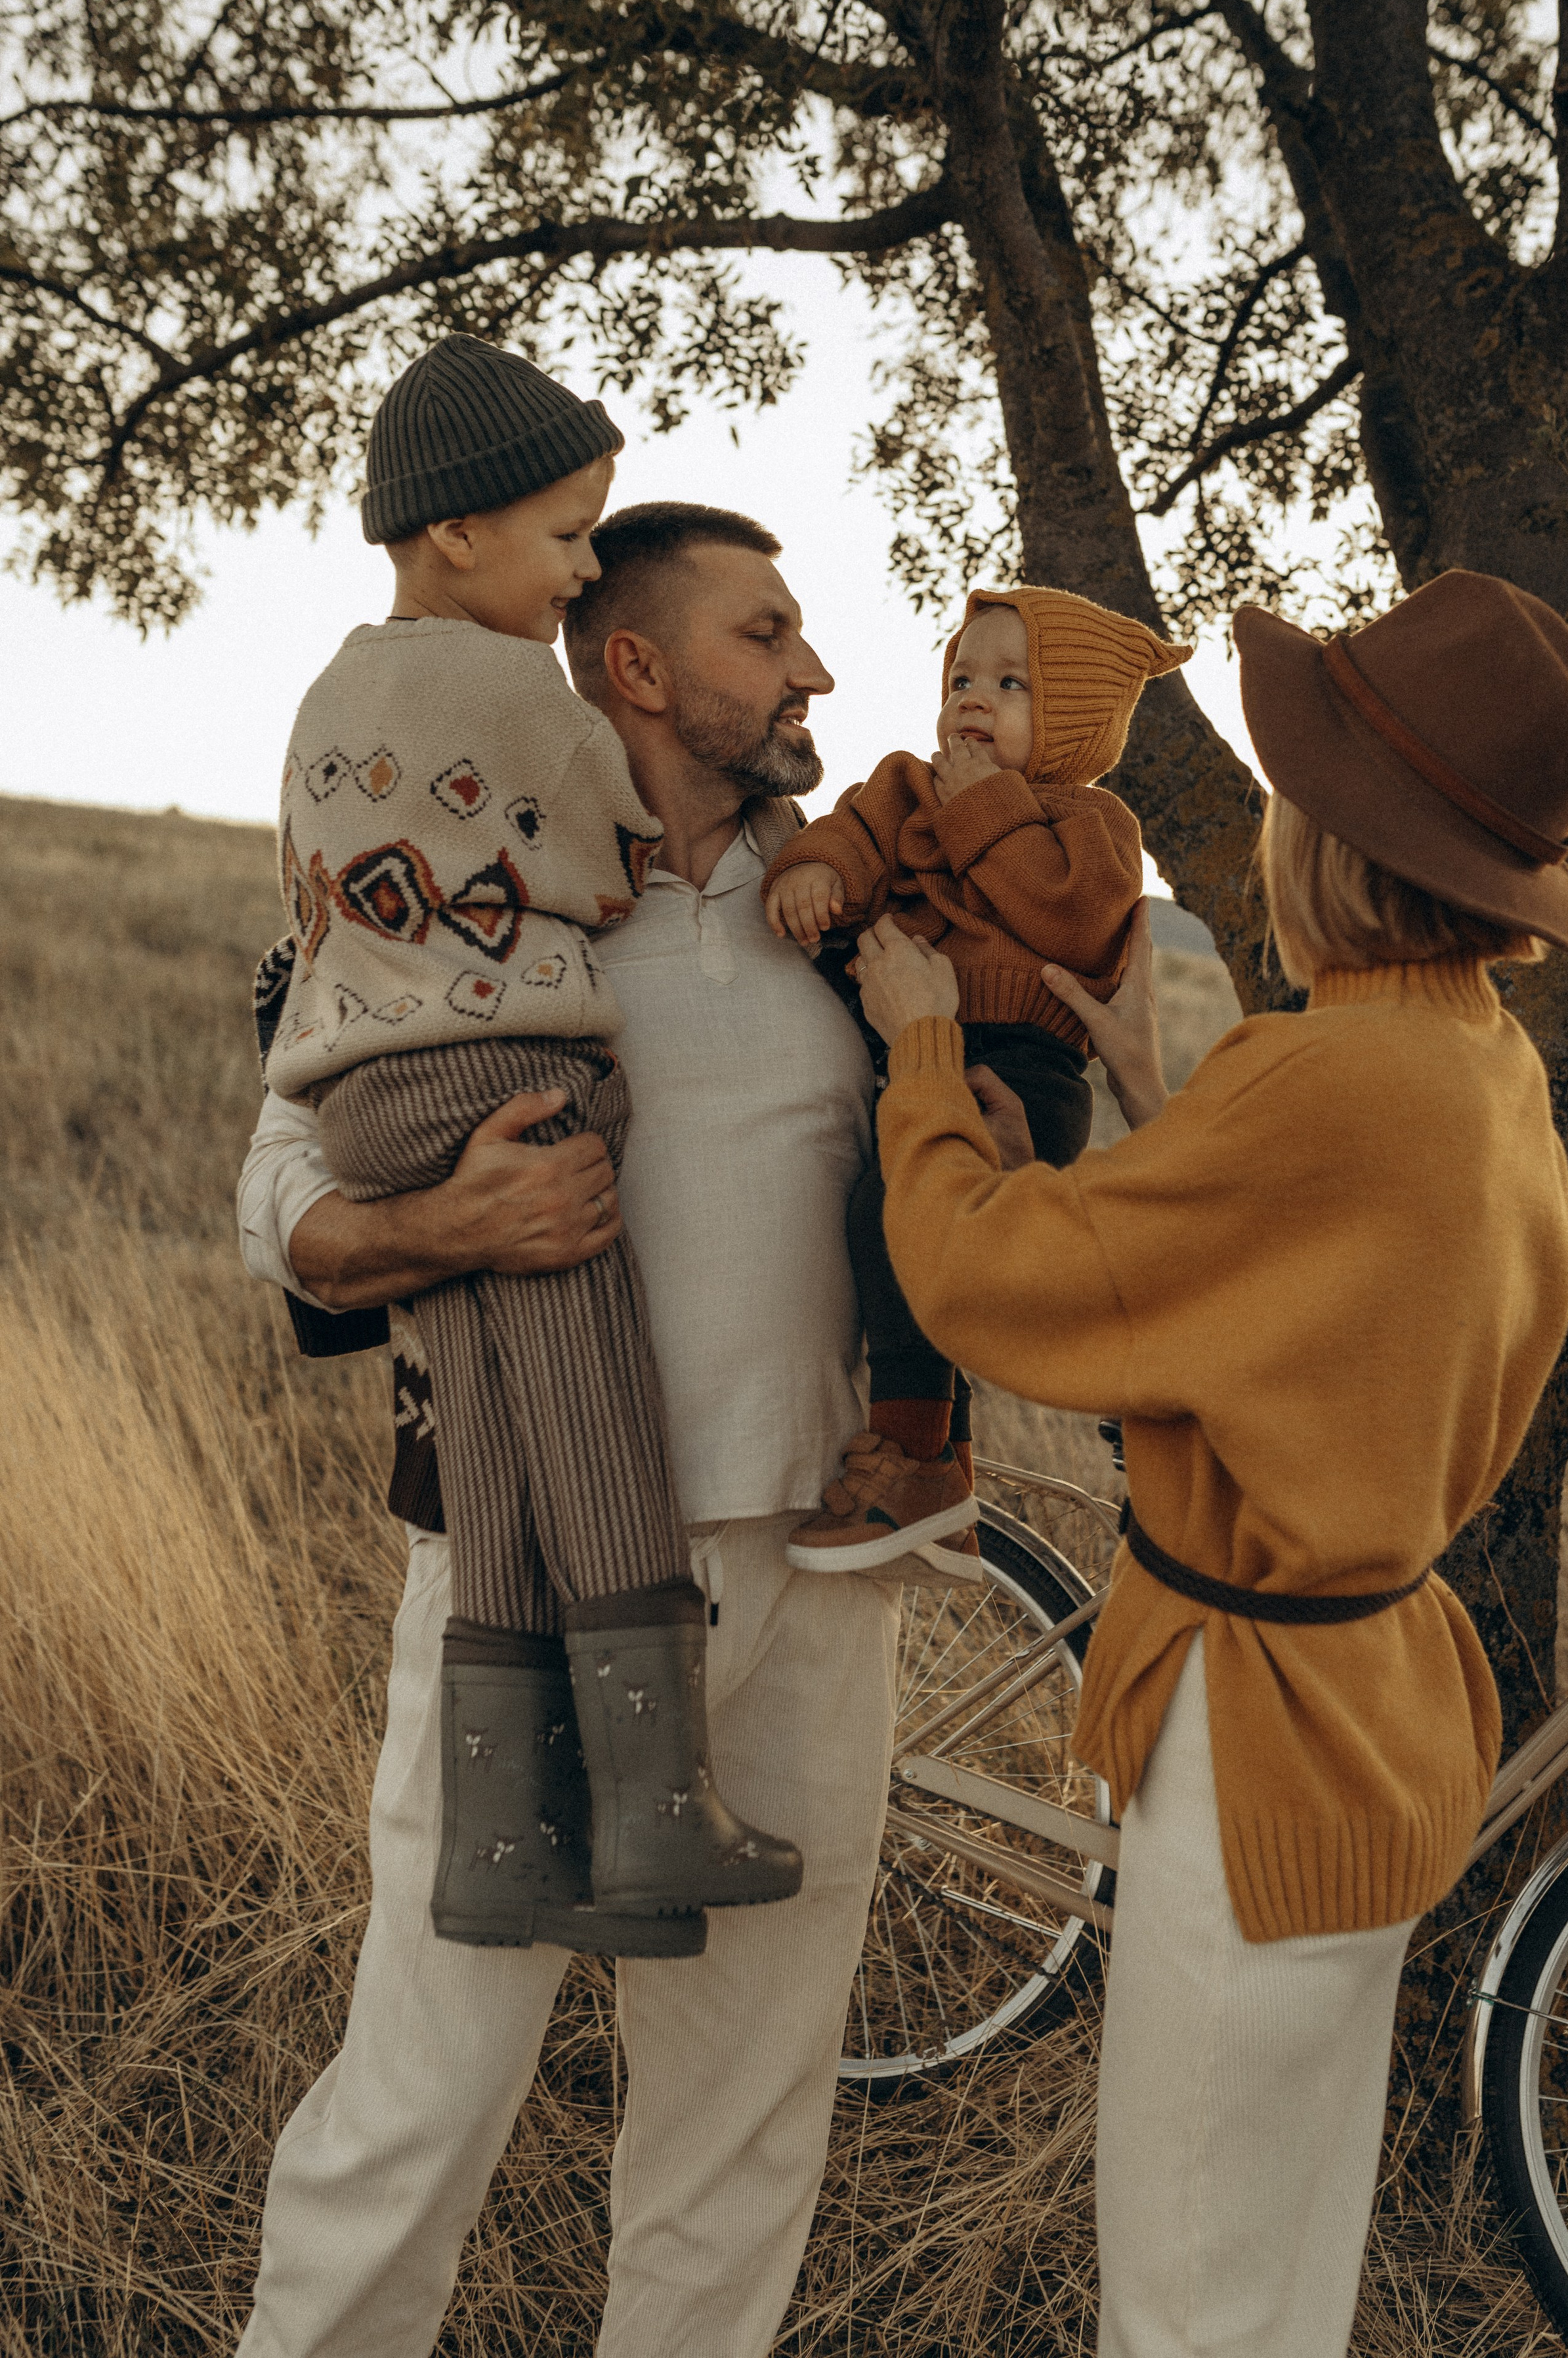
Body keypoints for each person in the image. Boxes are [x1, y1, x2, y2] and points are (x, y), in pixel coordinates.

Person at [847, 568, 1568, 2357]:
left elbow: (992, 1276)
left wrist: (919, 1057)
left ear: (1337, 846)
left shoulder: (1322, 1079)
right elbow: (1308, 1290)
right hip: (1386, 1732)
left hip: (1254, 1746)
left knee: (1182, 2298)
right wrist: (1155, 1089)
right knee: (1280, 2283)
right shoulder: (1475, 1064)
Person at [234, 500, 925, 2358]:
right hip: (522, 1575)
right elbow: (278, 1181)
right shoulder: (454, 866)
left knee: (747, 2117)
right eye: (765, 637)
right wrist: (427, 1228)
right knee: (427, 2092)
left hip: (822, 1569)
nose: (814, 674)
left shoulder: (865, 909)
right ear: (633, 665)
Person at [268, 333, 797, 1946]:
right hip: (506, 1079)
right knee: (590, 1416)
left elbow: (325, 898)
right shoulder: (515, 694)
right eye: (565, 537)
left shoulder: (323, 693)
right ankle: (650, 1809)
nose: (574, 580)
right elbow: (595, 829)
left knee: (492, 1459)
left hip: (373, 1094)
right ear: (460, 534)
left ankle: (502, 1845)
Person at [761, 584, 1187, 1579]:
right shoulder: (908, 784)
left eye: (1012, 684)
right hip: (907, 1048)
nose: (974, 699)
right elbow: (855, 834)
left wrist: (984, 810)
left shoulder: (1094, 825)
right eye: (962, 676)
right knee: (871, 1218)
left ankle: (917, 1454)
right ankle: (930, 1459)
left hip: (1024, 1068)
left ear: (1076, 725)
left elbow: (1072, 919)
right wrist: (810, 871)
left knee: (911, 1217)